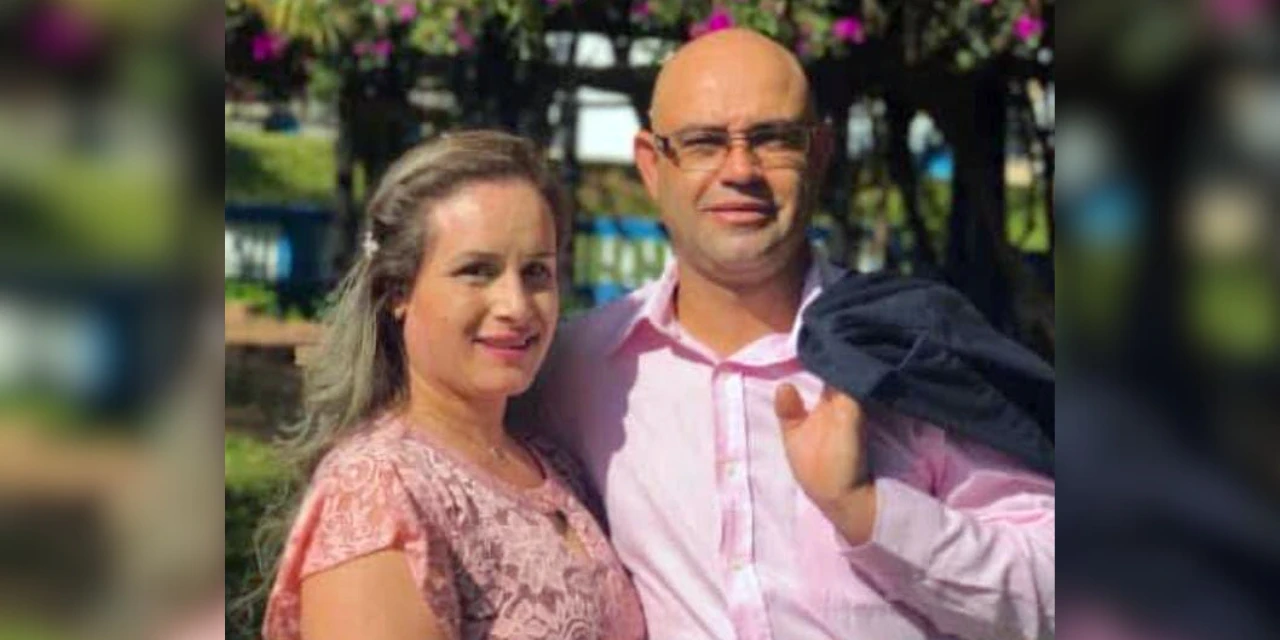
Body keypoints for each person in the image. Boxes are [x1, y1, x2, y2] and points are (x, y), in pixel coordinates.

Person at [517, 29, 1055, 639]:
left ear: (819, 154)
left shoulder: (903, 349)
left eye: (773, 139)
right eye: (703, 143)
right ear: (651, 164)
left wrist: (868, 511)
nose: (740, 170)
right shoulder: (576, 368)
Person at [260, 130, 646, 640]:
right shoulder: (378, 491)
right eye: (477, 271)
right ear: (398, 291)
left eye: (536, 272)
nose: (515, 306)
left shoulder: (554, 465)